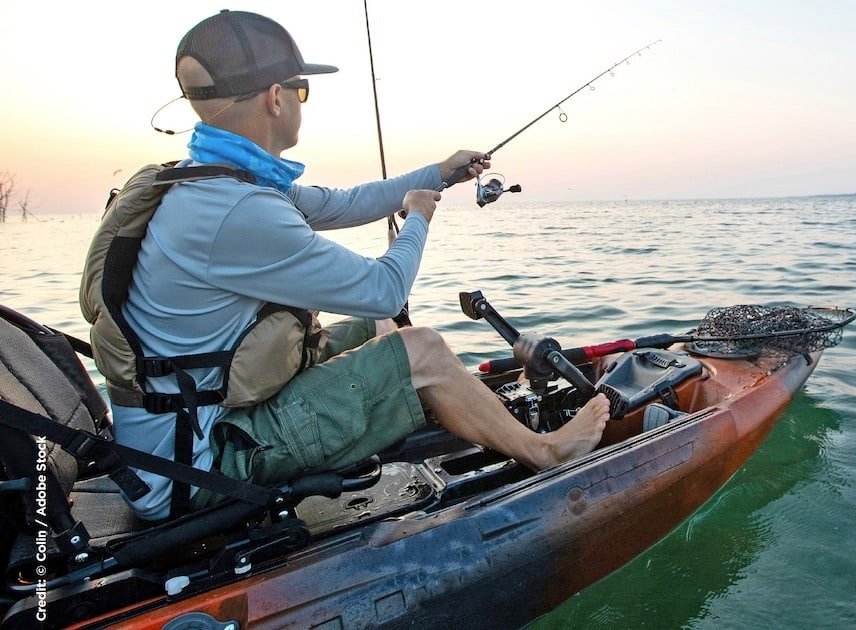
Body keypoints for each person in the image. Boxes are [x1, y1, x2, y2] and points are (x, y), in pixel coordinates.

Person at [105, 10, 608, 521]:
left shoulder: (210, 181)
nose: (301, 102)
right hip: (194, 468)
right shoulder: (239, 211)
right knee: (423, 346)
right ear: (275, 98)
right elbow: (385, 287)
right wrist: (417, 219)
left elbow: (344, 203)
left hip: (178, 435)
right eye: (301, 90)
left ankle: (442, 408)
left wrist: (441, 173)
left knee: (383, 329)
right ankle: (546, 452)